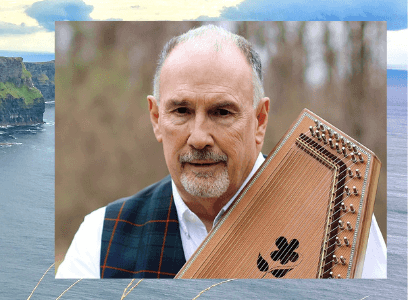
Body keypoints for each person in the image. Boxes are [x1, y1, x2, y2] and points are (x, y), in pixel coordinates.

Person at [55, 24, 386, 279]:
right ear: (157, 119)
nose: (199, 138)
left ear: (259, 120)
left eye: (222, 112)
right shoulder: (99, 239)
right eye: (181, 111)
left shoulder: (339, 217)